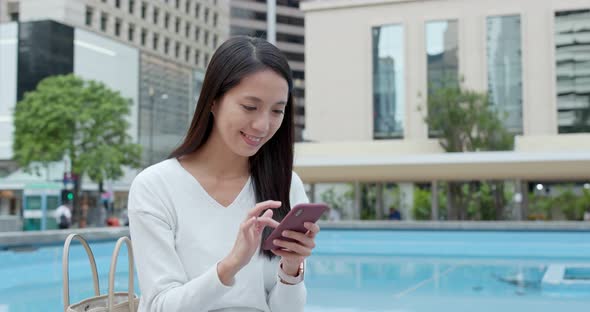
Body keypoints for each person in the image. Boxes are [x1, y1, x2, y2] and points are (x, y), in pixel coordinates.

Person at [128, 36, 320, 311]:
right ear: (213, 101)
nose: (263, 125)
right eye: (249, 107)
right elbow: (160, 305)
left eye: (277, 111)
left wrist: (291, 270)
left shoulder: (287, 185)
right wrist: (230, 265)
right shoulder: (156, 186)